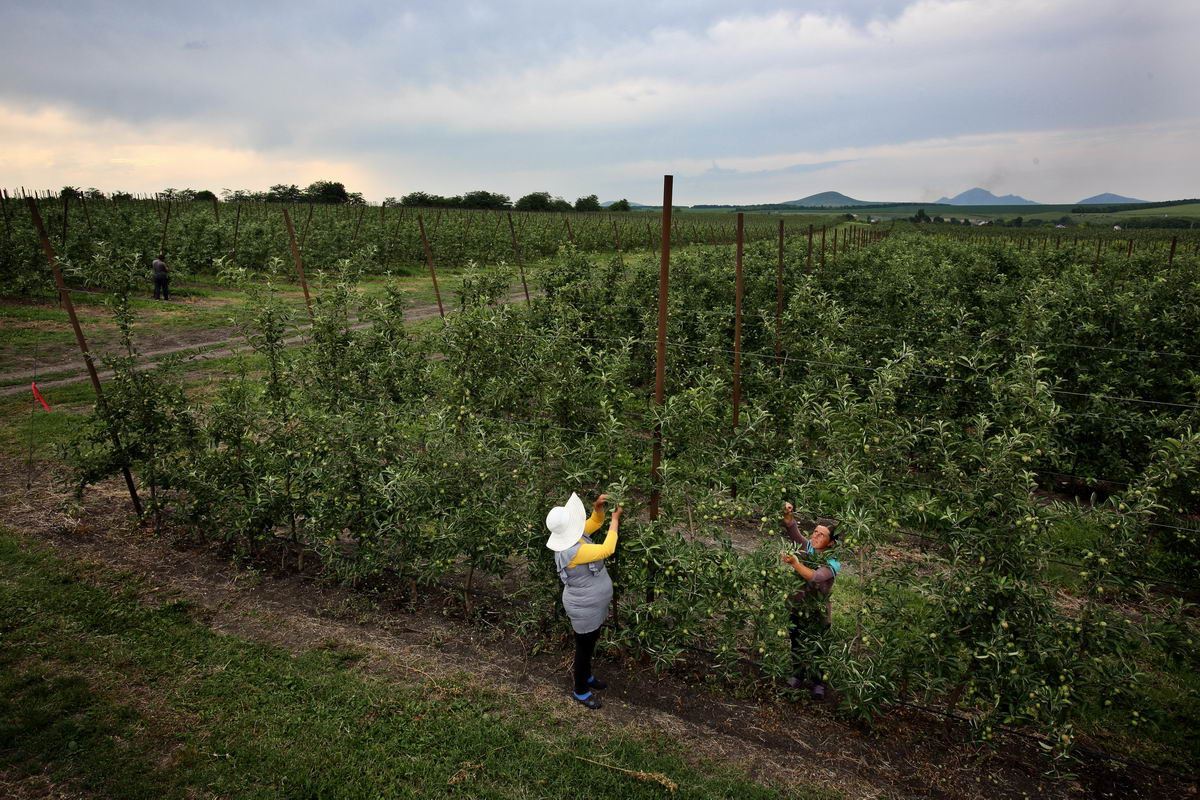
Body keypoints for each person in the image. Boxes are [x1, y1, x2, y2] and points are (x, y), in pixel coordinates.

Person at [546, 492, 622, 709]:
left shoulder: (573, 536)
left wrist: (599, 509)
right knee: (584, 648)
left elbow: (593, 523)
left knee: (589, 642)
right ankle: (580, 690)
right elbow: (607, 549)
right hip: (583, 607)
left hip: (590, 605)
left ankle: (587, 676)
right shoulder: (573, 550)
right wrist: (615, 520)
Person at [779, 502, 841, 701]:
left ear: (831, 543)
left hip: (818, 613)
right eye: (815, 532)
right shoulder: (808, 548)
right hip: (797, 607)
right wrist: (787, 513)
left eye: (821, 535)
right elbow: (793, 531)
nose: (815, 536)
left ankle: (818, 682)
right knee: (796, 642)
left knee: (817, 648)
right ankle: (797, 675)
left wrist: (795, 563)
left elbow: (814, 576)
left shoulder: (832, 563)